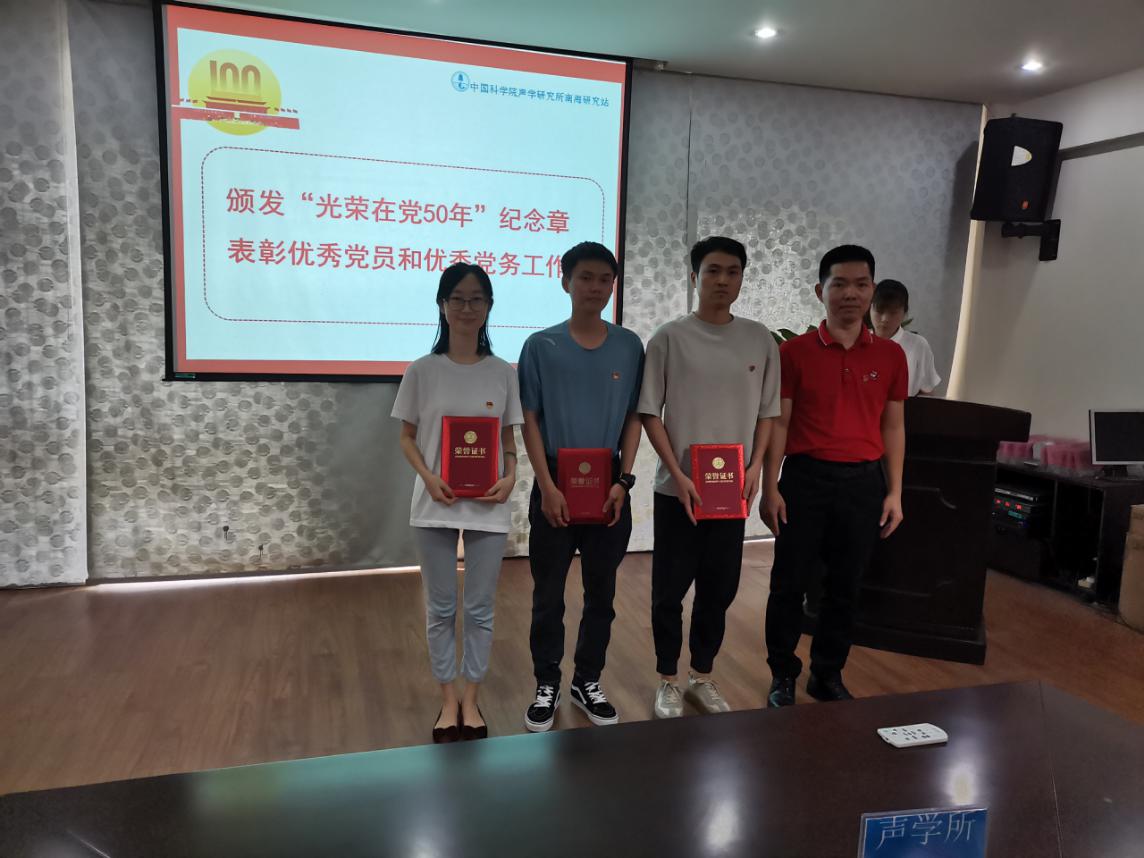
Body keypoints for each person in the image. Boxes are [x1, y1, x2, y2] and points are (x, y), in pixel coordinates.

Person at [638, 236, 781, 719]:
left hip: (732, 492)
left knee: (719, 589)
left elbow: (768, 413)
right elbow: (649, 412)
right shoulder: (669, 338)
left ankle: (701, 675)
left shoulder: (760, 340)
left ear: (742, 278)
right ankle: (667, 679)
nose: (723, 280)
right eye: (713, 271)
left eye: (733, 272)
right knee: (669, 591)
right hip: (677, 490)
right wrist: (677, 473)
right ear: (694, 276)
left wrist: (756, 467)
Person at [762, 245, 907, 708]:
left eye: (861, 284)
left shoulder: (891, 356)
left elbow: (894, 426)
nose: (850, 293)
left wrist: (895, 492)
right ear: (819, 290)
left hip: (863, 484)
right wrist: (769, 487)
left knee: (845, 587)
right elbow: (780, 423)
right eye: (839, 284)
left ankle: (827, 674)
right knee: (789, 583)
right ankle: (782, 674)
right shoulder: (793, 353)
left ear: (872, 291)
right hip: (805, 480)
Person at [392, 263, 523, 743]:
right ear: (442, 305)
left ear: (488, 307)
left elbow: (508, 442)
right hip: (434, 504)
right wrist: (428, 477)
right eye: (458, 299)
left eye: (477, 299)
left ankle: (472, 696)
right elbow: (407, 438)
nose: (467, 308)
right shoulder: (421, 371)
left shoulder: (502, 372)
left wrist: (511, 476)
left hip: (489, 506)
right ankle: (448, 699)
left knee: (481, 607)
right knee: (442, 607)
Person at [518, 242, 644, 732]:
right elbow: (530, 419)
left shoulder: (629, 345)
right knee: (547, 592)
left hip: (609, 483)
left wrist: (624, 481)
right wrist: (547, 486)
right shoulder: (540, 345)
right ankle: (546, 681)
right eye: (585, 277)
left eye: (605, 279)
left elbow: (634, 416)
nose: (596, 287)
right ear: (565, 280)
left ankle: (587, 680)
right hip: (555, 482)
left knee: (602, 593)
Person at [870, 279, 941, 396]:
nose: (884, 319)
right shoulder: (858, 341)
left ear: (904, 313)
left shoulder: (917, 345)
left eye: (893, 313)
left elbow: (927, 392)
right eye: (879, 310)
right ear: (870, 308)